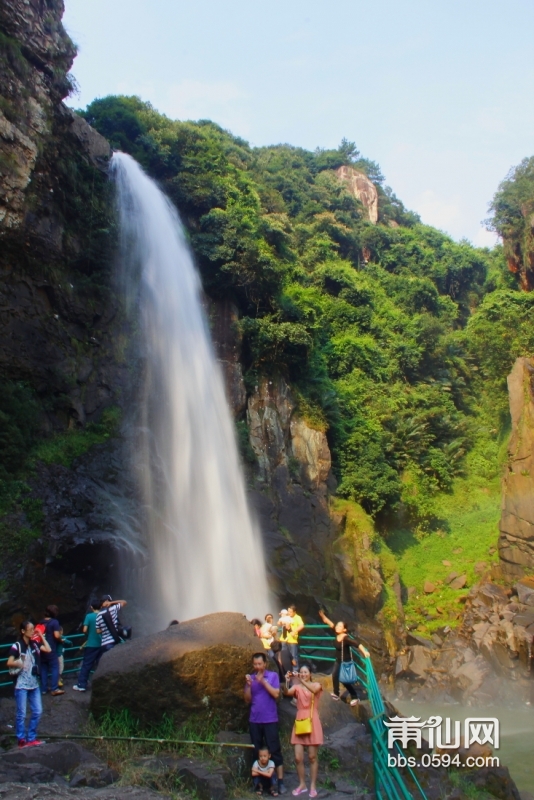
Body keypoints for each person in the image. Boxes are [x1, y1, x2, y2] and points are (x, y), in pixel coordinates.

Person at [244, 652, 286, 795]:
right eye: (255, 664)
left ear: (265, 664)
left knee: (274, 751)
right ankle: (259, 784)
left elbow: (276, 694)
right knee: (256, 751)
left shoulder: (273, 676)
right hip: (255, 719)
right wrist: (250, 685)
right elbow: (247, 699)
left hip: (270, 719)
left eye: (259, 664)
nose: (257, 666)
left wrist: (262, 681)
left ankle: (279, 782)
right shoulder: (251, 678)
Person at [7, 620, 51, 748]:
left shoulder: (35, 644)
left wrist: (41, 635)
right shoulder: (17, 646)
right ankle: (21, 739)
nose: (33, 631)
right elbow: (9, 662)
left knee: (37, 711)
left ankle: (31, 737)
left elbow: (48, 649)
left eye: (33, 629)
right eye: (30, 629)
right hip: (21, 684)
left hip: (34, 683)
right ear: (23, 631)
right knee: (22, 713)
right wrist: (19, 663)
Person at [284, 664, 323, 798]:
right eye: (301, 672)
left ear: (310, 673)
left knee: (312, 757)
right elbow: (286, 692)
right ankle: (302, 784)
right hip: (300, 720)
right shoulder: (297, 687)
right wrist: (287, 681)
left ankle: (312, 785)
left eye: (305, 672)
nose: (303, 674)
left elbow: (313, 690)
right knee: (298, 757)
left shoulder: (317, 685)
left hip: (312, 720)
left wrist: (301, 681)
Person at [319, 610, 365, 705]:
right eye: (337, 625)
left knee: (345, 681)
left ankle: (355, 696)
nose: (337, 627)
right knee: (334, 675)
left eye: (340, 626)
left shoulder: (346, 638)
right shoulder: (337, 634)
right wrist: (323, 617)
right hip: (338, 660)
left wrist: (364, 652)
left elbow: (357, 643)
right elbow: (331, 625)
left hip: (346, 662)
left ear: (344, 629)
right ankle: (336, 694)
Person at [73, 599, 102, 692]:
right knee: (100, 663)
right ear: (101, 607)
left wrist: (89, 633)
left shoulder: (89, 616)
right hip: (102, 644)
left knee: (86, 665)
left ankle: (82, 685)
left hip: (91, 644)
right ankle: (101, 684)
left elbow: (84, 630)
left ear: (91, 607)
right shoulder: (103, 616)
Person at [39, 605, 64, 696]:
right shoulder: (54, 622)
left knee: (44, 668)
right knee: (55, 667)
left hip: (41, 648)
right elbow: (57, 635)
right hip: (50, 648)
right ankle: (54, 688)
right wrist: (61, 640)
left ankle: (44, 689)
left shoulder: (41, 622)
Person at [284, 605, 304, 670]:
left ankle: (295, 672)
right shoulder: (287, 617)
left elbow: (302, 625)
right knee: (287, 657)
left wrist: (294, 630)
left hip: (293, 640)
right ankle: (289, 671)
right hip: (286, 640)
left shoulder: (298, 618)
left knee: (294, 657)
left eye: (290, 611)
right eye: (288, 611)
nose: (289, 613)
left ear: (294, 612)